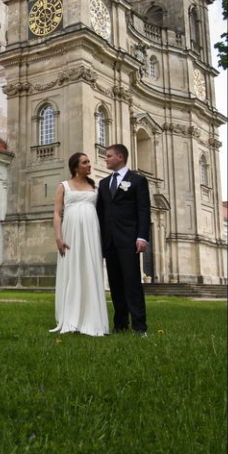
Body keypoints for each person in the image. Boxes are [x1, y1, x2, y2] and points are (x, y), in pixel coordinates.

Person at [50, 152, 110, 337]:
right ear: (75, 167)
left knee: (89, 269)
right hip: (71, 234)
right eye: (85, 162)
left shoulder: (96, 188)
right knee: (73, 270)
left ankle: (92, 317)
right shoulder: (64, 186)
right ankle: (71, 318)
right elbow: (57, 213)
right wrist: (58, 237)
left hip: (92, 234)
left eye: (89, 162)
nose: (89, 165)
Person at [96, 143, 151, 337]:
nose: (106, 158)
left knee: (132, 283)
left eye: (109, 156)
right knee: (116, 285)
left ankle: (140, 327)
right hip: (110, 242)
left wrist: (142, 236)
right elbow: (100, 213)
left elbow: (143, 210)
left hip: (129, 240)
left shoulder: (137, 181)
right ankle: (120, 325)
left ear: (120, 157)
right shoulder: (103, 183)